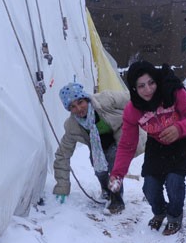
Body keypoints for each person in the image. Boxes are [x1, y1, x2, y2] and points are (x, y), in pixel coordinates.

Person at [108, 61, 186, 235]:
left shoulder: (173, 92)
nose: (148, 89)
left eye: (151, 83)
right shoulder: (132, 110)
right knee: (150, 186)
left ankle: (174, 216)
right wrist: (117, 174)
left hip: (184, 140)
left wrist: (179, 128)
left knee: (174, 181)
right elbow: (127, 145)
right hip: (158, 144)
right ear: (134, 89)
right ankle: (160, 212)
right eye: (141, 86)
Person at [53, 82, 145, 214]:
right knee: (98, 166)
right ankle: (106, 190)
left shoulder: (105, 100)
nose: (79, 108)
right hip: (100, 146)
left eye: (80, 102)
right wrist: (62, 187)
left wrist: (147, 114)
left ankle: (117, 199)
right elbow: (62, 155)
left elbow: (134, 98)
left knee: (114, 159)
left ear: (86, 99)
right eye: (73, 106)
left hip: (123, 136)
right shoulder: (72, 125)